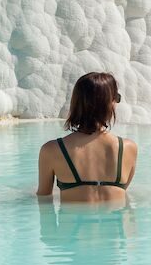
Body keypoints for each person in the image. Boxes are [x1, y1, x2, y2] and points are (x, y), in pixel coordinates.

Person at [36, 72, 137, 203]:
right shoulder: (128, 148)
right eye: (116, 98)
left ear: (76, 102)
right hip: (115, 222)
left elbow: (43, 199)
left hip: (74, 222)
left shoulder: (51, 150)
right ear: (110, 103)